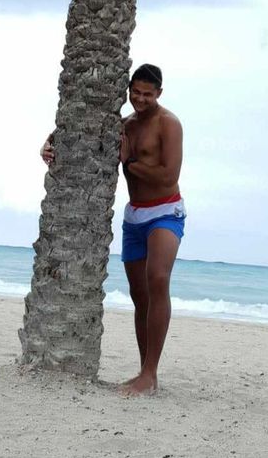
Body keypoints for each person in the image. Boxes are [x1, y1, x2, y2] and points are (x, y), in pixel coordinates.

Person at [40, 62, 185, 396]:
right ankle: (145, 372)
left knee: (158, 280)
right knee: (140, 296)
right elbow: (77, 130)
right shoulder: (126, 124)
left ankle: (149, 374)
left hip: (165, 212)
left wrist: (129, 161)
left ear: (159, 93)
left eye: (148, 94)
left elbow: (168, 176)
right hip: (135, 216)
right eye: (135, 93)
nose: (140, 99)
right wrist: (48, 144)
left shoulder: (169, 124)